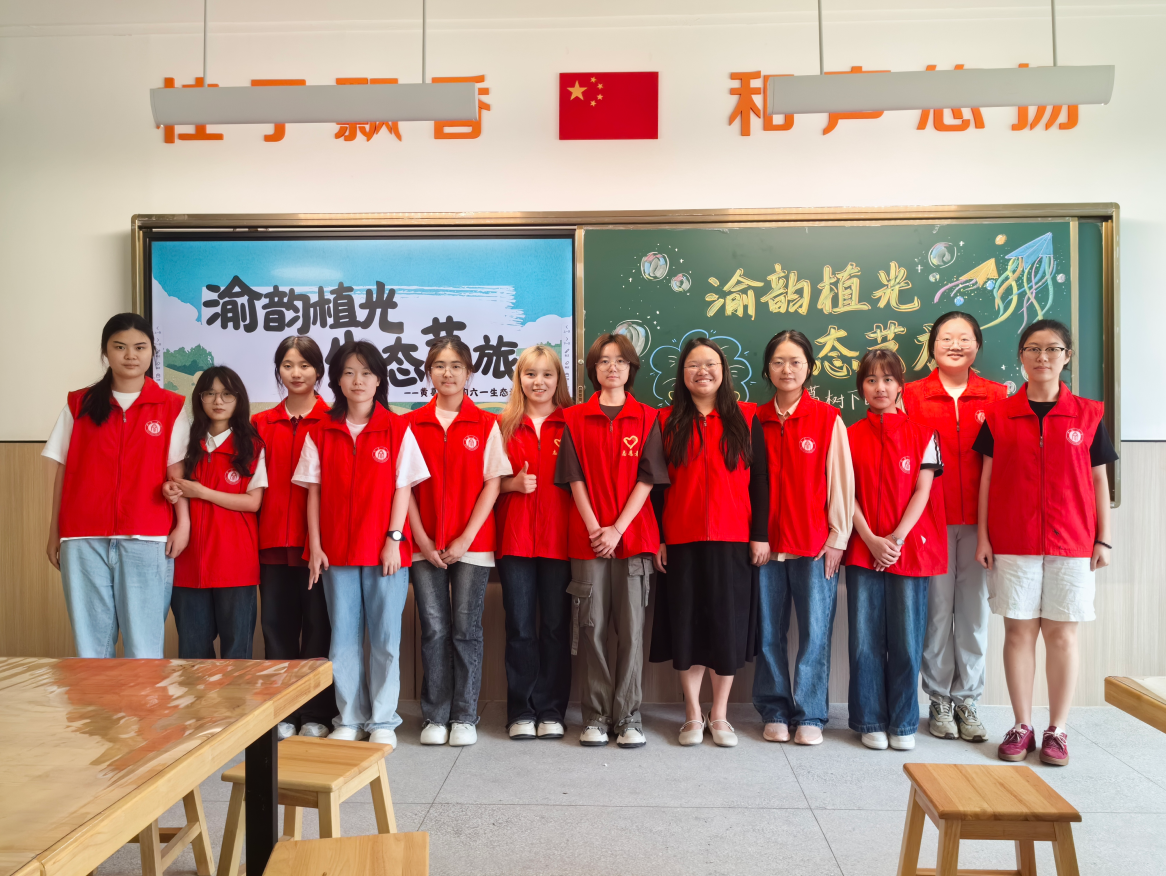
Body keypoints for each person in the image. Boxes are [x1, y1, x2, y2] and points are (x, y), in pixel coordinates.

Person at [975, 319, 1116, 767]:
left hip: (1072, 542)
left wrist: (1104, 538)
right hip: (1012, 540)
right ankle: (1022, 725)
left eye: (1053, 349)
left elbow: (1099, 480)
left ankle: (1058, 729)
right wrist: (983, 536)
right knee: (1018, 633)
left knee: (1062, 635)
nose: (1042, 357)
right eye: (1033, 348)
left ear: (1066, 356)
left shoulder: (1088, 415)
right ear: (1021, 356)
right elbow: (987, 480)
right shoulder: (998, 415)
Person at [296, 339, 429, 748]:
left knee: (386, 639)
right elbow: (313, 494)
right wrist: (315, 547)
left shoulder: (398, 428)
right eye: (349, 373)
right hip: (336, 554)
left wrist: (393, 539)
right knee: (343, 640)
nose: (358, 380)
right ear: (337, 380)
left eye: (367, 373)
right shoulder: (320, 430)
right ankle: (350, 717)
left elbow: (403, 488)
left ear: (379, 380)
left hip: (385, 552)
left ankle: (383, 720)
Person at [43, 312, 188, 658]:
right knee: (91, 648)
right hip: (82, 538)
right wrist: (55, 531)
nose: (130, 355)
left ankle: (143, 700)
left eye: (140, 347)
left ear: (152, 352)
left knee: (144, 648)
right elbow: (63, 472)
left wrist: (183, 524)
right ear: (105, 351)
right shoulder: (78, 404)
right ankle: (97, 700)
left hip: (146, 537)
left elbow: (177, 473)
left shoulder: (171, 407)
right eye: (120, 347)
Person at [650, 337, 768, 748]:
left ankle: (719, 715)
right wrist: (659, 538)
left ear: (723, 371)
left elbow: (760, 481)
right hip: (681, 539)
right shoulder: (665, 421)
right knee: (687, 626)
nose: (702, 371)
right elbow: (656, 487)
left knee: (726, 627)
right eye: (693, 365)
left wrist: (759, 535)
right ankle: (691, 714)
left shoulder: (747, 417)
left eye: (710, 364)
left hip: (733, 539)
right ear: (682, 374)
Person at [555, 332, 668, 749]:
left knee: (632, 631)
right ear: (593, 369)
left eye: (620, 360)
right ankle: (596, 716)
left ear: (631, 367)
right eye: (604, 361)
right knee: (592, 628)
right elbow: (573, 478)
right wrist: (595, 529)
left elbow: (648, 479)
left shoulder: (649, 417)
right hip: (587, 541)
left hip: (634, 539)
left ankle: (629, 717)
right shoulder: (573, 418)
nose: (612, 367)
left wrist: (617, 529)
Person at [903, 312, 1006, 744]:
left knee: (974, 613)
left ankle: (968, 698)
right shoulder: (911, 394)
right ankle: (938, 698)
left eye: (965, 338)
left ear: (977, 346)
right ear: (933, 346)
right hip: (931, 521)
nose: (955, 345)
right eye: (947, 337)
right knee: (937, 611)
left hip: (982, 524)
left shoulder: (998, 396)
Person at [407, 337, 512, 748]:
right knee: (434, 629)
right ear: (428, 372)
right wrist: (421, 538)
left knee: (466, 630)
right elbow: (404, 488)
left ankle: (464, 716)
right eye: (438, 365)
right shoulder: (411, 424)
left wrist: (466, 537)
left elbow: (493, 483)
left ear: (469, 373)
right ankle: (435, 715)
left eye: (455, 366)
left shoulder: (485, 423)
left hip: (474, 544)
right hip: (423, 544)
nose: (447, 373)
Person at [752, 330, 854, 747]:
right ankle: (775, 709)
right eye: (778, 361)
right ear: (767, 368)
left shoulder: (828, 419)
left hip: (814, 546)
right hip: (763, 547)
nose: (787, 369)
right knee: (768, 633)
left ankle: (810, 713)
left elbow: (841, 482)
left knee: (815, 632)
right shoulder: (754, 419)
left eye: (795, 361)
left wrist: (838, 537)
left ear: (809, 367)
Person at [846, 349, 947, 752]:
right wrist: (871, 538)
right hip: (863, 547)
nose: (880, 387)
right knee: (865, 640)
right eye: (871, 380)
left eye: (887, 379)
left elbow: (923, 490)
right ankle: (870, 719)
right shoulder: (848, 435)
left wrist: (897, 538)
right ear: (861, 388)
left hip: (910, 549)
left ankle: (904, 722)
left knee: (907, 640)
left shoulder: (925, 434)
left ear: (900, 386)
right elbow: (845, 493)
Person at [252, 336, 334, 739]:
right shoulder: (260, 424)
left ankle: (317, 713)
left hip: (318, 545)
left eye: (305, 365)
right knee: (276, 628)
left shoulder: (333, 419)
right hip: (270, 541)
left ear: (319, 371)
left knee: (319, 628)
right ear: (278, 370)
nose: (296, 373)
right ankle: (282, 712)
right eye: (288, 365)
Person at [495, 345, 574, 740]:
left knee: (557, 627)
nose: (538, 382)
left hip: (561, 541)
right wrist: (511, 484)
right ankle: (521, 711)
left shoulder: (572, 423)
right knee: (520, 627)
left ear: (558, 379)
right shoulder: (502, 425)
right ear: (519, 379)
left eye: (547, 374)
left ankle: (552, 710)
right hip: (515, 541)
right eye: (530, 374)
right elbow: (483, 485)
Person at [165, 366, 265, 659]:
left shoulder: (252, 446)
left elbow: (253, 502)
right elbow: (171, 486)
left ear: (239, 399)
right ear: (199, 399)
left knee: (237, 656)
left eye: (226, 394)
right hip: (189, 564)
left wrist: (202, 492)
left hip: (236, 564)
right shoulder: (183, 445)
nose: (218, 401)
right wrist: (169, 490)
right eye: (209, 393)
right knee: (193, 656)